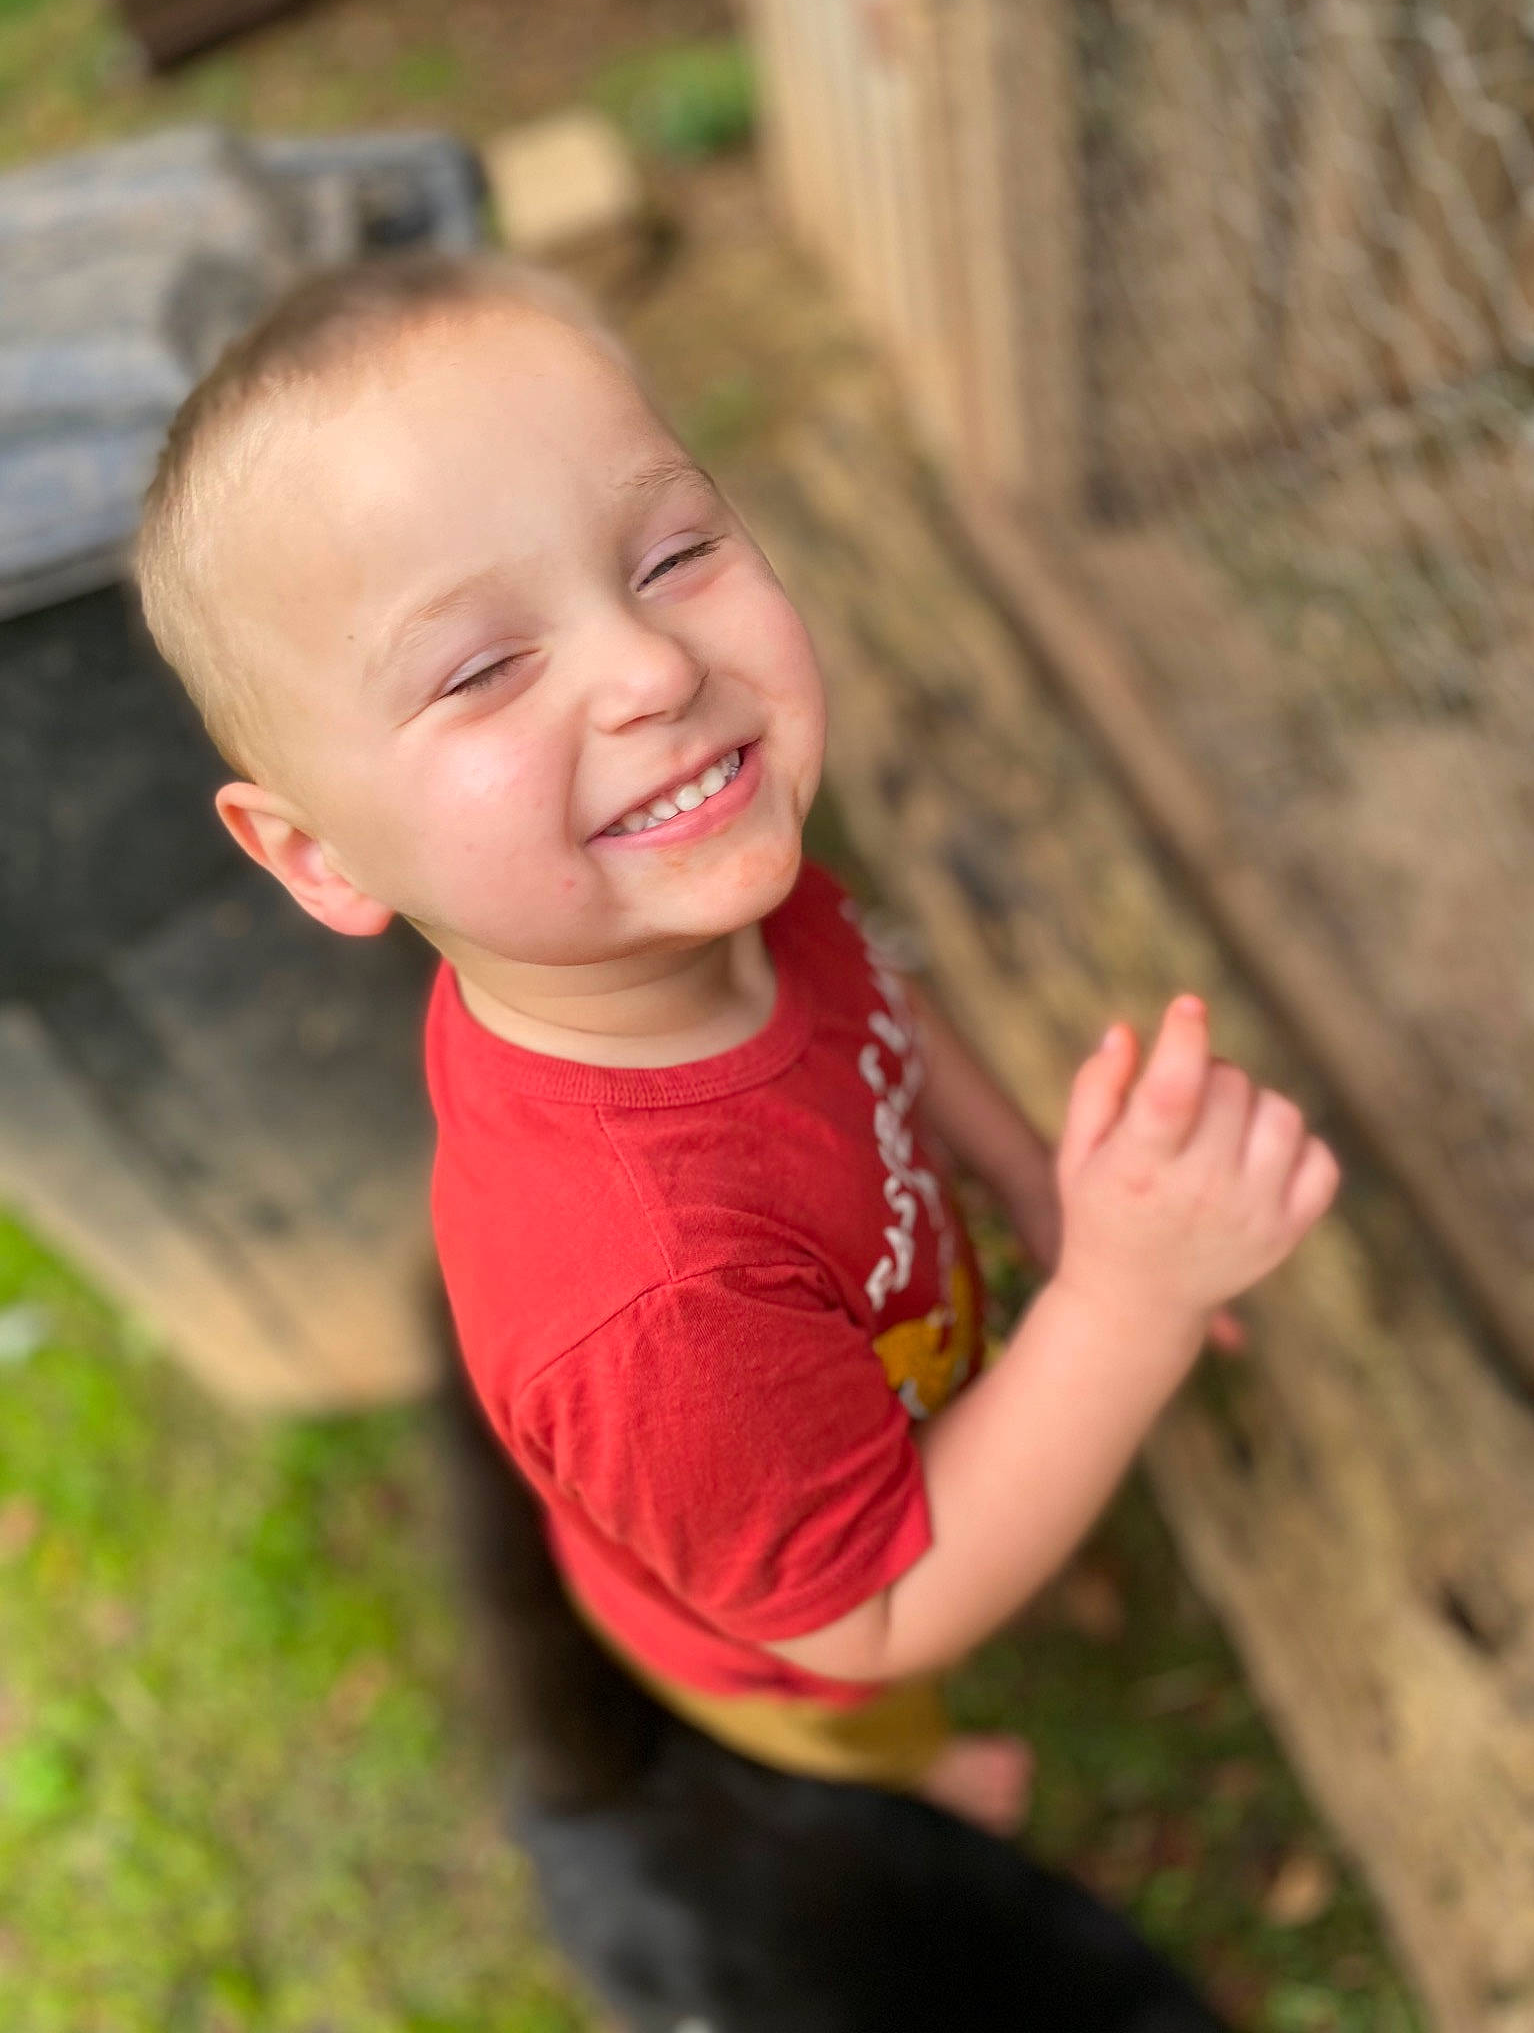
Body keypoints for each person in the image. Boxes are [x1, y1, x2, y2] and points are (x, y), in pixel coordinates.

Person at [134, 253, 1338, 1839]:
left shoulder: (678, 897)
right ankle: (915, 1785)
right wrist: (1128, 1303)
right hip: (802, 1638)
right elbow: (870, 1615)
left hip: (822, 1425)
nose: (654, 670)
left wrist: (1039, 1192)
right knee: (868, 1728)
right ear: (318, 855)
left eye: (674, 553)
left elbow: (876, 998)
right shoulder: (652, 1302)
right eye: (483, 668)